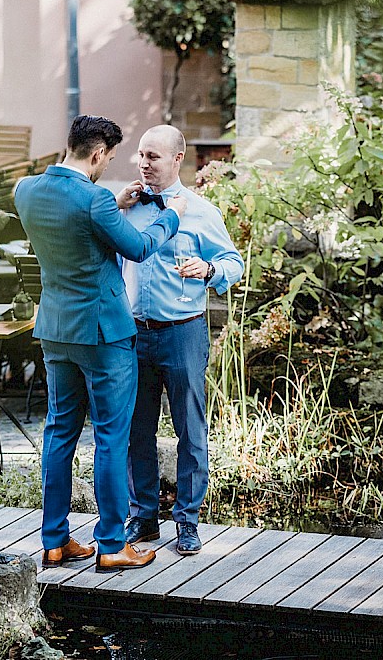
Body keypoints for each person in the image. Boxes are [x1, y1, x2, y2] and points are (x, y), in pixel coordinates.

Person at [14, 115, 186, 573]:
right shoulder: (94, 200)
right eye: (108, 157)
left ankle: (54, 541)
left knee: (59, 431)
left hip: (55, 330)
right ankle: (111, 544)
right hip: (105, 335)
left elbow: (72, 221)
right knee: (112, 435)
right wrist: (171, 216)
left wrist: (112, 202)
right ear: (96, 154)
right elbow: (140, 247)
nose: (107, 163)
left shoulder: (25, 189)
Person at [118, 125, 244, 556]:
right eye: (139, 154)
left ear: (176, 159)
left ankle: (187, 522)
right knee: (138, 430)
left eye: (152, 156)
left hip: (183, 333)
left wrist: (209, 272)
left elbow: (233, 261)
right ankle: (144, 518)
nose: (142, 163)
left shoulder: (202, 213)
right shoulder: (125, 208)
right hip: (133, 334)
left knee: (191, 429)